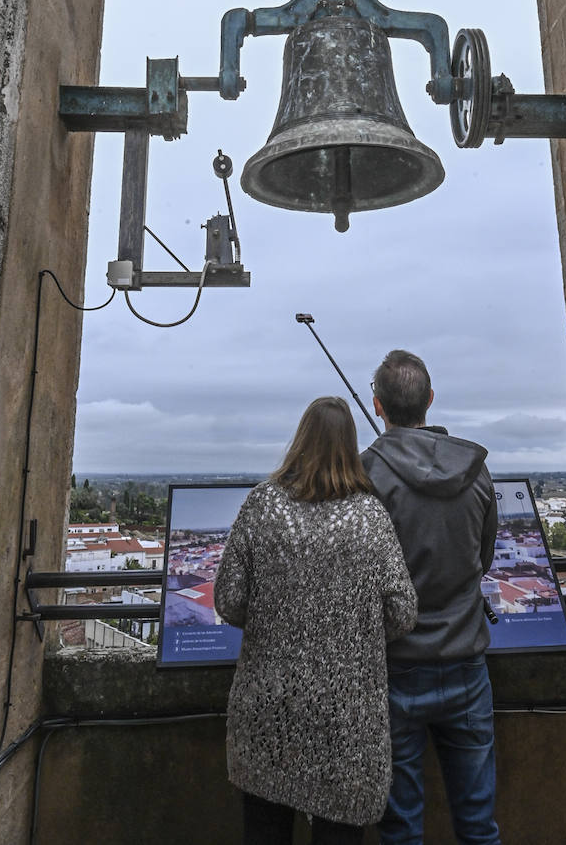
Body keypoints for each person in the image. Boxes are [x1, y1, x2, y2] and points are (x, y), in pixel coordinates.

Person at [214, 396, 418, 845]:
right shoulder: (369, 518)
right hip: (347, 717)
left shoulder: (262, 505)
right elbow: (402, 612)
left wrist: (278, 621)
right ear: (350, 446)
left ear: (300, 440)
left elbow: (229, 599)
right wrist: (350, 631)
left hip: (269, 705)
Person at [361, 350, 501, 845]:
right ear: (430, 400)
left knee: (401, 830)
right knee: (479, 825)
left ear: (378, 406)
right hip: (466, 660)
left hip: (395, 664)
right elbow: (482, 560)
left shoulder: (366, 476)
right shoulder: (476, 472)